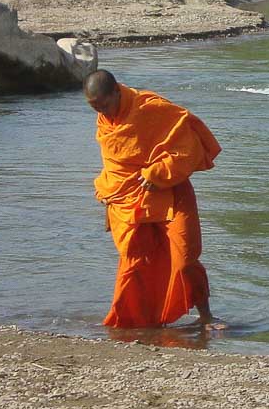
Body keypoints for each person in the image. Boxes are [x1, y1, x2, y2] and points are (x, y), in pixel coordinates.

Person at [84, 70, 222, 330]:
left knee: (185, 258)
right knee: (134, 265)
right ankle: (133, 323)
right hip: (129, 200)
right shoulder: (105, 122)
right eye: (94, 107)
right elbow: (116, 166)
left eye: (104, 104)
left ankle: (206, 316)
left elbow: (188, 146)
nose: (101, 112)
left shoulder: (150, 109)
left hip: (171, 193)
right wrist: (108, 192)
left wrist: (158, 172)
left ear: (117, 92)